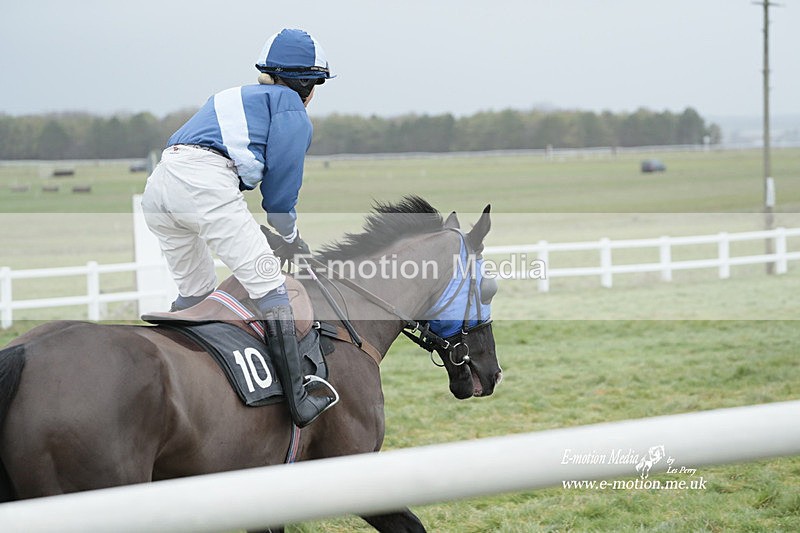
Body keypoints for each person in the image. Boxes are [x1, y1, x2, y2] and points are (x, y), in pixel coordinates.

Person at [141, 28, 335, 427]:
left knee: (195, 297)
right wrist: (291, 238)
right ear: (309, 84)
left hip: (160, 184)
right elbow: (279, 197)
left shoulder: (236, 95)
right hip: (203, 184)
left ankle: (193, 387)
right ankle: (299, 400)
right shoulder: (291, 108)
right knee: (270, 287)